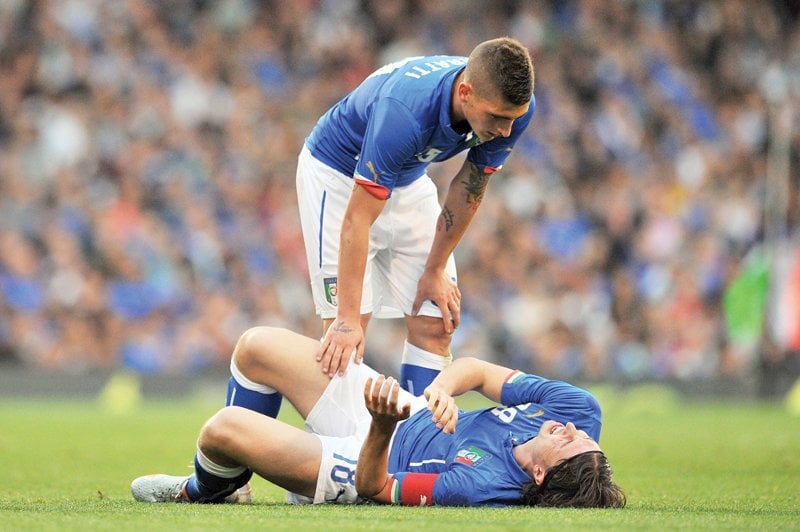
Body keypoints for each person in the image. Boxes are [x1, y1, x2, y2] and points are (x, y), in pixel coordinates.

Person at [131, 326, 626, 508]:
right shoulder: (579, 409)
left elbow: (376, 488)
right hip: (402, 411)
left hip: (370, 457)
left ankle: (200, 491)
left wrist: (382, 427)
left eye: (567, 442)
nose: (571, 430)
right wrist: (439, 391)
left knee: (222, 429)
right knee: (255, 347)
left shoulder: (479, 487)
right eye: (581, 435)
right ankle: (235, 485)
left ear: (538, 474)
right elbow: (474, 369)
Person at [296, 37, 536, 394]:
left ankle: (418, 441)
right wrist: (346, 320)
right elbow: (357, 218)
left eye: (511, 119)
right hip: (338, 177)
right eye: (497, 118)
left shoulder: (514, 108)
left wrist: (435, 269)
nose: (505, 131)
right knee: (346, 338)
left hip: (406, 176)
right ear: (466, 92)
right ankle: (338, 448)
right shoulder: (405, 111)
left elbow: (470, 186)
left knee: (437, 319)